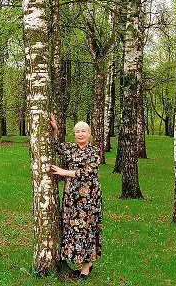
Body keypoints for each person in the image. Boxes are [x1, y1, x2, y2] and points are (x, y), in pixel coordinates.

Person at [49, 114, 103, 279]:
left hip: (88, 199)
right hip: (72, 196)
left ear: (89, 134)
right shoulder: (71, 148)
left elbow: (87, 173)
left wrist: (64, 172)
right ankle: (81, 261)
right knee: (73, 229)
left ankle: (86, 266)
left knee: (86, 229)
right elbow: (56, 146)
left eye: (83, 131)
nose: (80, 134)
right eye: (77, 131)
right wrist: (55, 129)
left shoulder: (95, 152)